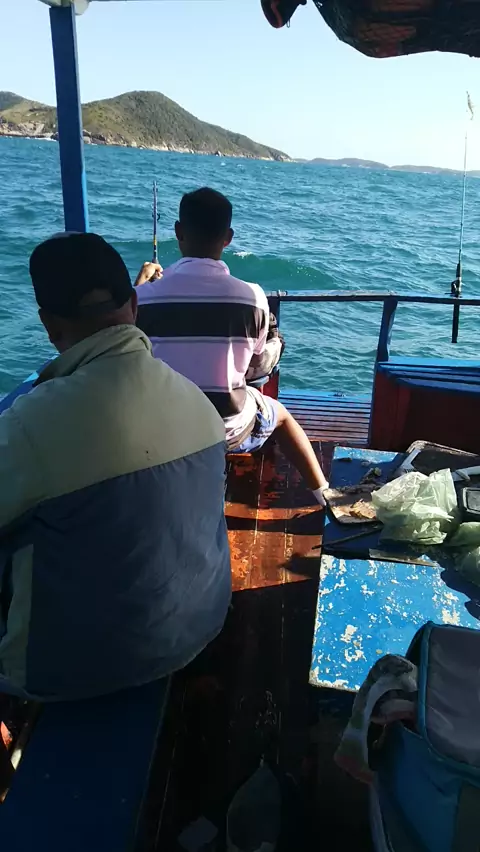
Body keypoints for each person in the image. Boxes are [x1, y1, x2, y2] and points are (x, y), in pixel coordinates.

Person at [0, 232, 231, 710]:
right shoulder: (198, 403)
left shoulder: (28, 427)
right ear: (135, 305)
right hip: (201, 627)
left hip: (79, 674)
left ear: (48, 324)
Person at [135, 187, 329, 504]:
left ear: (179, 232)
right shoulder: (253, 297)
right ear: (228, 237)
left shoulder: (141, 299)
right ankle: (324, 494)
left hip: (162, 429)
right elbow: (259, 366)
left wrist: (140, 286)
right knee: (280, 415)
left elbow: (125, 342)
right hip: (225, 431)